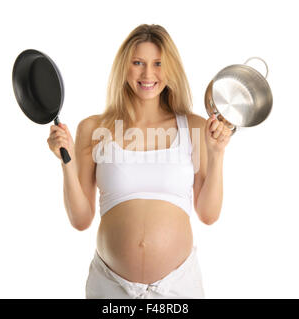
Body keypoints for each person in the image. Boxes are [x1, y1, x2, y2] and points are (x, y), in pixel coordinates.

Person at [47, 24, 233, 299]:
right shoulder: (93, 128)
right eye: (138, 63)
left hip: (178, 288)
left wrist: (217, 154)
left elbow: (209, 214)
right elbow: (81, 219)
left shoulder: (194, 126)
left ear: (171, 68)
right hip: (110, 288)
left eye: (158, 63)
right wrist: (67, 162)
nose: (148, 74)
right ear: (124, 67)